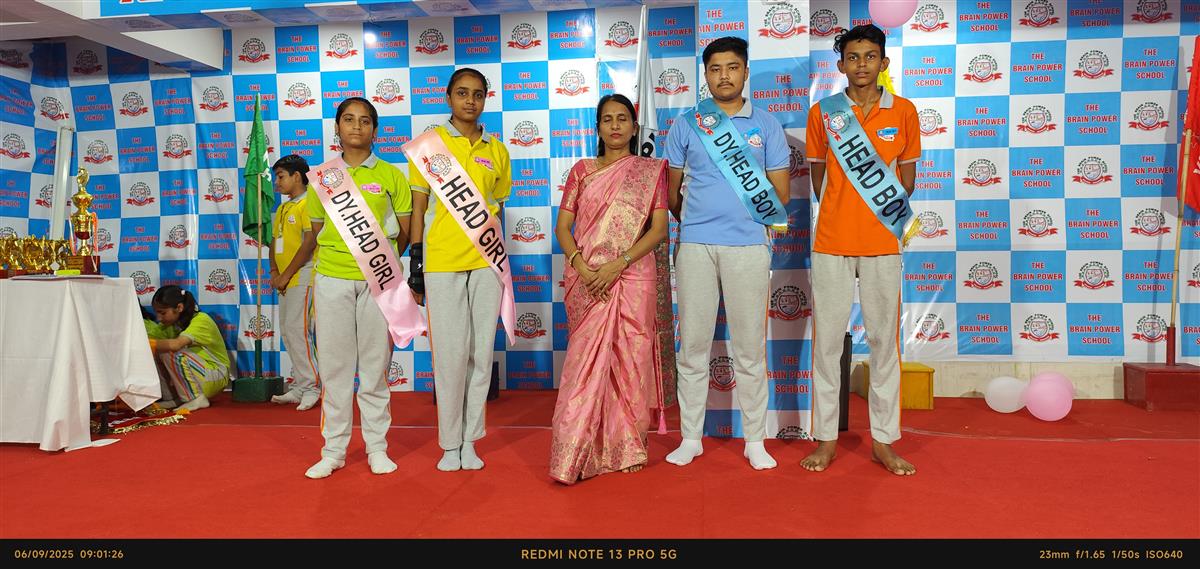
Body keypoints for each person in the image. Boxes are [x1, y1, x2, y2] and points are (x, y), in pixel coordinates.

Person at [664, 36, 791, 471]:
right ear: (705, 75)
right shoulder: (687, 124)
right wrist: (698, 222)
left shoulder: (767, 125)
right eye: (715, 68)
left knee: (750, 350)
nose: (724, 76)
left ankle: (755, 440)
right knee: (693, 347)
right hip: (695, 246)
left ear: (745, 72)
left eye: (732, 67)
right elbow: (672, 193)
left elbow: (781, 193)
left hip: (749, 247)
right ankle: (691, 438)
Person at [803, 24, 921, 476]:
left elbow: (906, 180)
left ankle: (884, 442)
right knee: (827, 346)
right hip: (831, 242)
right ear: (841, 65)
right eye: (853, 57)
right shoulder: (823, 113)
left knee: (885, 345)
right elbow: (818, 177)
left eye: (870, 56)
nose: (861, 65)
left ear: (883, 62)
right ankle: (826, 440)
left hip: (882, 244)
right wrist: (840, 208)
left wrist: (875, 214)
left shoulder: (904, 111)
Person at [548, 94, 674, 484]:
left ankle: (627, 446)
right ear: (598, 128)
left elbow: (658, 229)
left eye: (623, 119)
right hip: (588, 279)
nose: (615, 125)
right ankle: (574, 452)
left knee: (631, 364)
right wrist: (582, 267)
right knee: (582, 369)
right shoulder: (582, 171)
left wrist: (618, 263)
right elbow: (563, 228)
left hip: (633, 276)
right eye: (607, 119)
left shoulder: (650, 172)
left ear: (634, 128)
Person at [405, 68, 515, 472]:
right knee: (450, 356)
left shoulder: (497, 150)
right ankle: (449, 444)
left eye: (478, 94)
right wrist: (416, 260)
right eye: (463, 93)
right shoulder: (428, 145)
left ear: (486, 99)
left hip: (486, 262)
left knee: (480, 354)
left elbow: (497, 207)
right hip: (441, 261)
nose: (471, 101)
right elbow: (419, 207)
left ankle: (471, 441)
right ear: (448, 97)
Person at [305, 96, 419, 479]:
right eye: (349, 119)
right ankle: (333, 451)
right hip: (332, 278)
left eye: (365, 120)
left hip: (380, 281)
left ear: (375, 129)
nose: (357, 126)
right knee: (336, 370)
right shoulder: (322, 177)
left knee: (374, 369)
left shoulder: (391, 175)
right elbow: (318, 231)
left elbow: (404, 233)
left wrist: (380, 263)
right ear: (337, 127)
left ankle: (377, 448)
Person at [267, 154, 320, 411]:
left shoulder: (309, 202)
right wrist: (274, 271)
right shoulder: (283, 207)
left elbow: (310, 242)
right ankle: (300, 386)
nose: (276, 182)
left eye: (280, 177)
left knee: (299, 331)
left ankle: (312, 387)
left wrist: (286, 274)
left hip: (302, 276)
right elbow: (273, 242)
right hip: (284, 279)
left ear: (297, 176)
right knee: (288, 332)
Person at [145, 285, 231, 412]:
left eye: (163, 313)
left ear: (179, 308)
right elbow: (151, 342)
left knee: (170, 349)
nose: (158, 318)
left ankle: (195, 398)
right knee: (154, 351)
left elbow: (176, 345)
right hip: (201, 375)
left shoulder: (201, 320)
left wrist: (146, 343)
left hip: (216, 375)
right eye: (157, 313)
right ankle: (172, 398)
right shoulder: (168, 325)